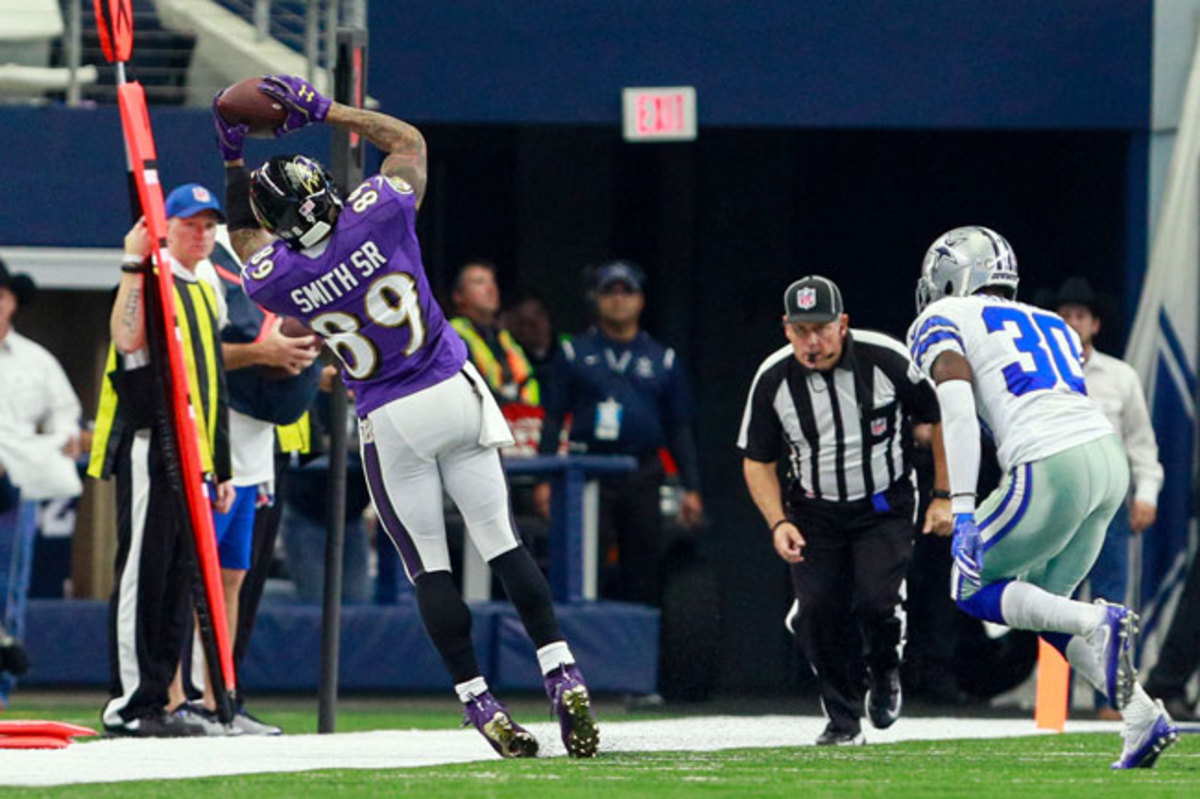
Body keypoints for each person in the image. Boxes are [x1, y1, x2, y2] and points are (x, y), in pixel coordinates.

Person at [215, 73, 599, 758]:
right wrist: (326, 110)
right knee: (502, 541)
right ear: (324, 190)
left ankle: (478, 700)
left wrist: (233, 158)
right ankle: (561, 669)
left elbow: (245, 240)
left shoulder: (278, 276)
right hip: (452, 388)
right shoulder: (378, 213)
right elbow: (408, 142)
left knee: (429, 567)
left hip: (390, 416)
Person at [907, 225, 1179, 769]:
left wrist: (963, 508)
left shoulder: (943, 317)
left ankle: (1095, 620)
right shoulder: (1051, 323)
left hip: (1050, 465)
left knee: (968, 585)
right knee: (1044, 611)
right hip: (1106, 463)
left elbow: (957, 412)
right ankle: (1141, 714)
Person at [738, 275, 950, 745]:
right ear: (786, 328)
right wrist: (778, 521)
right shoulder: (773, 378)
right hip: (813, 510)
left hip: (882, 504)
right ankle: (843, 719)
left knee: (875, 601)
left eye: (821, 329)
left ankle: (886, 666)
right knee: (817, 609)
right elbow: (757, 459)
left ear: (843, 324)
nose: (812, 342)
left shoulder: (886, 359)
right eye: (801, 330)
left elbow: (939, 417)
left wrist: (943, 494)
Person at [88, 187, 235, 738]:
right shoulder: (153, 277)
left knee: (177, 581)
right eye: (189, 224)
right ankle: (129, 702)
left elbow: (212, 384)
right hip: (152, 441)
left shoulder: (207, 287)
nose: (201, 234)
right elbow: (127, 340)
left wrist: (219, 467)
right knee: (142, 574)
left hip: (195, 456)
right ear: (165, 227)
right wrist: (133, 261)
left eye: (208, 225)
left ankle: (160, 700)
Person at [168, 223, 322, 734]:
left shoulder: (289, 262)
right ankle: (171, 697)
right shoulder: (206, 268)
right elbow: (192, 354)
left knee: (232, 578)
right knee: (190, 576)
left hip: (257, 448)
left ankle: (220, 699)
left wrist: (311, 367)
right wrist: (262, 353)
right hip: (214, 439)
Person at [536, 260, 704, 608]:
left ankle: (639, 635)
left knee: (644, 562)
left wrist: (692, 488)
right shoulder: (574, 352)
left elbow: (679, 427)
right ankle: (578, 633)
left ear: (640, 300)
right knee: (584, 560)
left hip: (641, 470)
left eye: (627, 291)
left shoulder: (662, 359)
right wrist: (544, 479)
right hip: (587, 470)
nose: (618, 299)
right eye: (609, 292)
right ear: (596, 300)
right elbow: (552, 420)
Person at [1042, 277, 1164, 718]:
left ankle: (1112, 697)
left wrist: (1146, 493)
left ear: (1095, 324)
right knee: (1053, 597)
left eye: (1080, 316)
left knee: (1112, 599)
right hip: (1058, 501)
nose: (1073, 323)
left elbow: (1141, 442)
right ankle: (1052, 700)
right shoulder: (1041, 372)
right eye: (1064, 316)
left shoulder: (1120, 376)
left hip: (1109, 502)